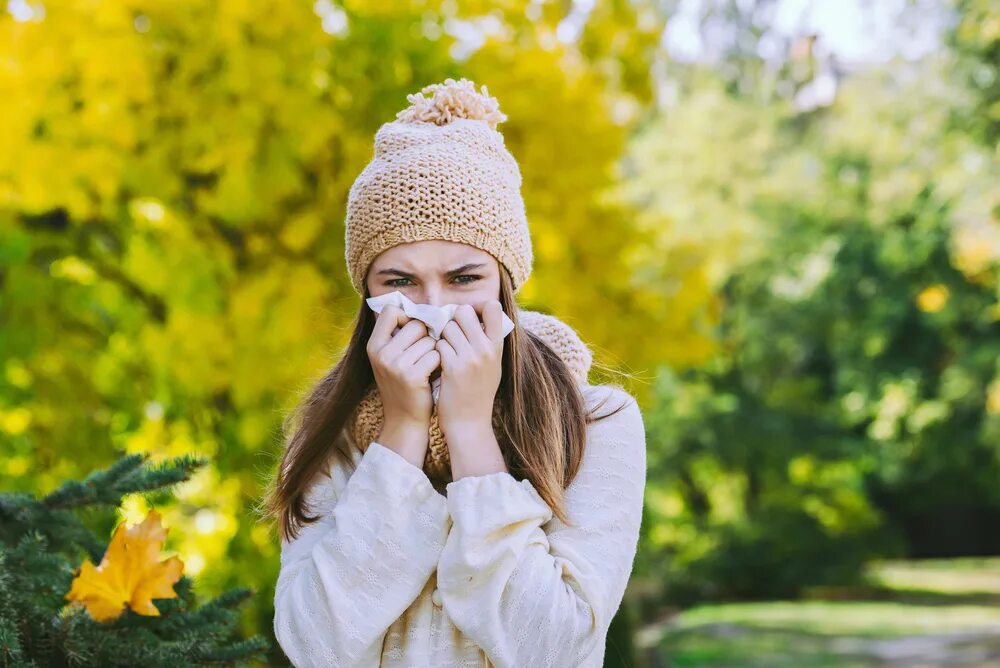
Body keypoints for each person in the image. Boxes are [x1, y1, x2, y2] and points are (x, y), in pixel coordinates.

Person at [262, 77, 647, 667]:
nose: (434, 306)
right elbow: (316, 646)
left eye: (464, 279)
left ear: (505, 285)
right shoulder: (326, 430)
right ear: (366, 288)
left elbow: (555, 648)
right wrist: (400, 435)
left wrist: (471, 431)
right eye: (399, 282)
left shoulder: (598, 420)